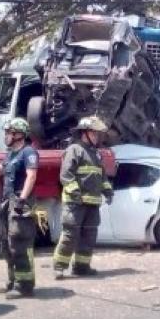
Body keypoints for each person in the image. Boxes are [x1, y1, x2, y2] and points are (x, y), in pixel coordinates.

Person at [53, 116, 113, 279]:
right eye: (95, 133)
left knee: (89, 237)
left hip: (92, 204)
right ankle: (59, 266)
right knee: (70, 235)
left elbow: (102, 176)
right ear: (85, 133)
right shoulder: (74, 150)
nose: (97, 137)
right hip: (75, 202)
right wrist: (75, 193)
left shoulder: (97, 154)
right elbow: (66, 175)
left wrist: (108, 191)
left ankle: (81, 266)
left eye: (98, 134)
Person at [0, 118, 39, 298]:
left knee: (19, 243)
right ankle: (13, 280)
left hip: (20, 203)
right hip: (7, 203)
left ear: (19, 134)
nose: (6, 136)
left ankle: (24, 285)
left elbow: (32, 176)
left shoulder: (28, 152)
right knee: (6, 244)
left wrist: (22, 199)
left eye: (9, 132)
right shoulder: (10, 154)